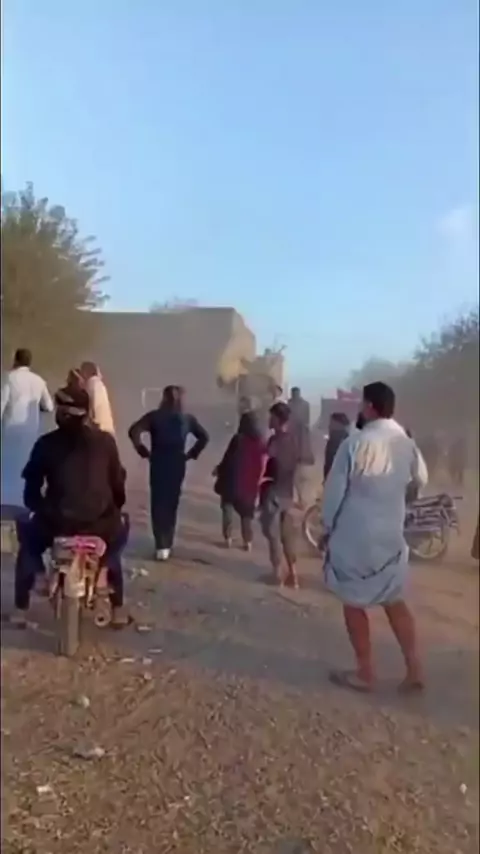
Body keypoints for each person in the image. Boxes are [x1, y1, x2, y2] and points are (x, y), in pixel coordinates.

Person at [321, 381, 428, 693]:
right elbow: (420, 479)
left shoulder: (354, 443)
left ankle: (365, 672)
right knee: (395, 600)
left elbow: (334, 494)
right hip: (391, 536)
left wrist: (327, 528)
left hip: (354, 536)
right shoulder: (406, 444)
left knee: (353, 602)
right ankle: (415, 670)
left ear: (369, 407)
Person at [10, 386, 129, 628]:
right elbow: (118, 484)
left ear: (60, 413)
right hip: (100, 523)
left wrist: (40, 508)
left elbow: (31, 487)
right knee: (117, 539)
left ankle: (22, 607)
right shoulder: (105, 442)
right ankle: (115, 603)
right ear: (86, 413)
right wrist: (113, 508)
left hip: (56, 523)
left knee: (27, 540)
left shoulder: (46, 444)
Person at [128, 385, 209, 561]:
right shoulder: (187, 419)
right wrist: (191, 454)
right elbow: (204, 437)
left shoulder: (154, 417)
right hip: (177, 464)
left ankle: (160, 544)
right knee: (172, 503)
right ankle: (167, 543)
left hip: (158, 462)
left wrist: (142, 451)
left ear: (164, 398)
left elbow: (133, 431)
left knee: (158, 503)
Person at [1, 348, 54, 508]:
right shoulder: (39, 381)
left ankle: (5, 502)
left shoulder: (9, 378)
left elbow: (2, 404)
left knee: (8, 465)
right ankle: (20, 503)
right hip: (31, 430)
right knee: (25, 465)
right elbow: (49, 407)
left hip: (10, 429)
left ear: (15, 360)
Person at [259, 402, 303, 588]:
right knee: (287, 534)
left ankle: (277, 574)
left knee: (272, 533)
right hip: (287, 492)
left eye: (272, 417)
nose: (269, 420)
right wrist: (299, 493)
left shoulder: (274, 441)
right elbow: (296, 467)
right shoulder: (293, 440)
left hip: (274, 491)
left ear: (278, 419)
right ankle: (293, 574)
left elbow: (264, 461)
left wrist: (257, 481)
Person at [213, 411, 267, 550]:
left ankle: (228, 538)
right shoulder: (260, 442)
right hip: (250, 484)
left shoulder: (238, 439)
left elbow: (228, 458)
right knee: (246, 514)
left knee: (227, 507)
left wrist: (218, 469)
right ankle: (247, 541)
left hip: (232, 481)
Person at [80, 361, 115, 435]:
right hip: (106, 431)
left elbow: (94, 406)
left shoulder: (92, 383)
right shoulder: (99, 385)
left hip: (99, 431)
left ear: (85, 373)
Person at [323, 412, 350, 482]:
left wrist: (327, 479)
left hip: (335, 478)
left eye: (332, 423)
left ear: (338, 424)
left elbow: (330, 461)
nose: (329, 426)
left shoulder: (336, 438)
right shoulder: (346, 437)